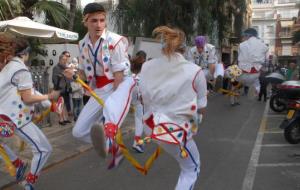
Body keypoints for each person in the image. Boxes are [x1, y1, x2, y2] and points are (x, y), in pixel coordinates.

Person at [63, 2, 135, 168]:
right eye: (94, 21)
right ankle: (112, 148)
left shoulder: (116, 41)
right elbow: (82, 73)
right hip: (99, 89)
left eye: (102, 20)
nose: (99, 25)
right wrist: (73, 75)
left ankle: (111, 140)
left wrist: (115, 102)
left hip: (121, 85)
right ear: (86, 21)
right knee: (78, 131)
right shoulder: (82, 44)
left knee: (110, 124)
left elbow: (119, 75)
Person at [140, 26, 207, 190]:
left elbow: (142, 99)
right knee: (192, 169)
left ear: (162, 47)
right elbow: (202, 108)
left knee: (185, 163)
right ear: (184, 48)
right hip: (174, 130)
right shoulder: (195, 71)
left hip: (150, 126)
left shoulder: (146, 67)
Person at [0, 40, 59, 190]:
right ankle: (29, 182)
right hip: (17, 119)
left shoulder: (8, 68)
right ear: (26, 53)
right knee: (44, 150)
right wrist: (49, 97)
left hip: (6, 117)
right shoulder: (21, 70)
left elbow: (29, 91)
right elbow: (28, 97)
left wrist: (49, 105)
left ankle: (18, 164)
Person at [237, 28, 269, 95]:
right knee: (255, 79)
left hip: (244, 72)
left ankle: (236, 87)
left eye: (244, 36)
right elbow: (266, 60)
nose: (244, 38)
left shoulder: (242, 45)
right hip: (256, 73)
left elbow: (239, 58)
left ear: (247, 35)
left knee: (229, 73)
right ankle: (257, 88)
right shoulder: (264, 46)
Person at [130, 50, 147, 153]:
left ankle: (110, 141)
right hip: (137, 99)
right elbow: (142, 86)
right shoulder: (144, 72)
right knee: (139, 120)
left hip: (126, 97)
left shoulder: (129, 67)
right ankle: (136, 142)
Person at [52, 52, 72, 125]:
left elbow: (69, 78)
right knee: (60, 105)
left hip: (66, 89)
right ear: (60, 60)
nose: (65, 61)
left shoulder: (66, 68)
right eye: (63, 60)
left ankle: (65, 119)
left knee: (65, 104)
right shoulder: (56, 68)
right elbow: (54, 79)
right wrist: (59, 86)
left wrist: (69, 86)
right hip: (59, 89)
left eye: (66, 60)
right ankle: (61, 120)